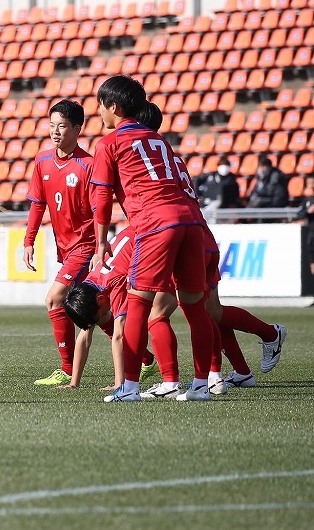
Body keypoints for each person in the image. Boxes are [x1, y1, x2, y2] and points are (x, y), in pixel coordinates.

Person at [138, 102, 286, 393]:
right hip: (199, 233)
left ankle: (183, 380)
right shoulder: (170, 156)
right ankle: (240, 367)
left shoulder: (143, 159)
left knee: (160, 314)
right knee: (210, 311)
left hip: (174, 236)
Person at [90, 75, 213, 402]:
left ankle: (128, 387)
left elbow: (101, 197)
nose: (98, 112)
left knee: (138, 304)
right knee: (195, 307)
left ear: (113, 107)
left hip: (155, 222)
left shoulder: (109, 143)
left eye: (100, 105)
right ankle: (201, 386)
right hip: (189, 221)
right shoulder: (158, 139)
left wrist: (101, 243)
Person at [21, 99, 95, 386]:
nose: (55, 131)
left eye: (61, 126)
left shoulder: (88, 165)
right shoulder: (42, 161)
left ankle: (66, 369)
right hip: (66, 248)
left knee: (54, 299)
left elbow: (99, 210)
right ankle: (146, 361)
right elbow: (38, 204)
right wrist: (29, 241)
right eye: (51, 125)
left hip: (85, 246)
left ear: (77, 129)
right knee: (94, 311)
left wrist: (100, 246)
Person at [61, 226, 160, 393]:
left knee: (160, 313)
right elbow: (84, 335)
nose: (100, 317)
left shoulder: (114, 282)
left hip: (153, 236)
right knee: (104, 319)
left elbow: (119, 335)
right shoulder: (90, 284)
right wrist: (74, 382)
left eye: (99, 313)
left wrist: (118, 384)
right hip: (139, 234)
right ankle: (149, 361)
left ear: (100, 299)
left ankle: (185, 377)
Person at [196, 156, 240, 220]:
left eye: (226, 165)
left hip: (224, 205)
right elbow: (197, 180)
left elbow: (235, 195)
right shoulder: (211, 175)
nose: (224, 167)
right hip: (207, 201)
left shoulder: (232, 179)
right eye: (222, 165)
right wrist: (198, 195)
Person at [297, 176, 314, 277]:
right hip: (312, 232)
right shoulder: (308, 200)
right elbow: (299, 214)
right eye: (309, 182)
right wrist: (308, 211)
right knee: (311, 253)